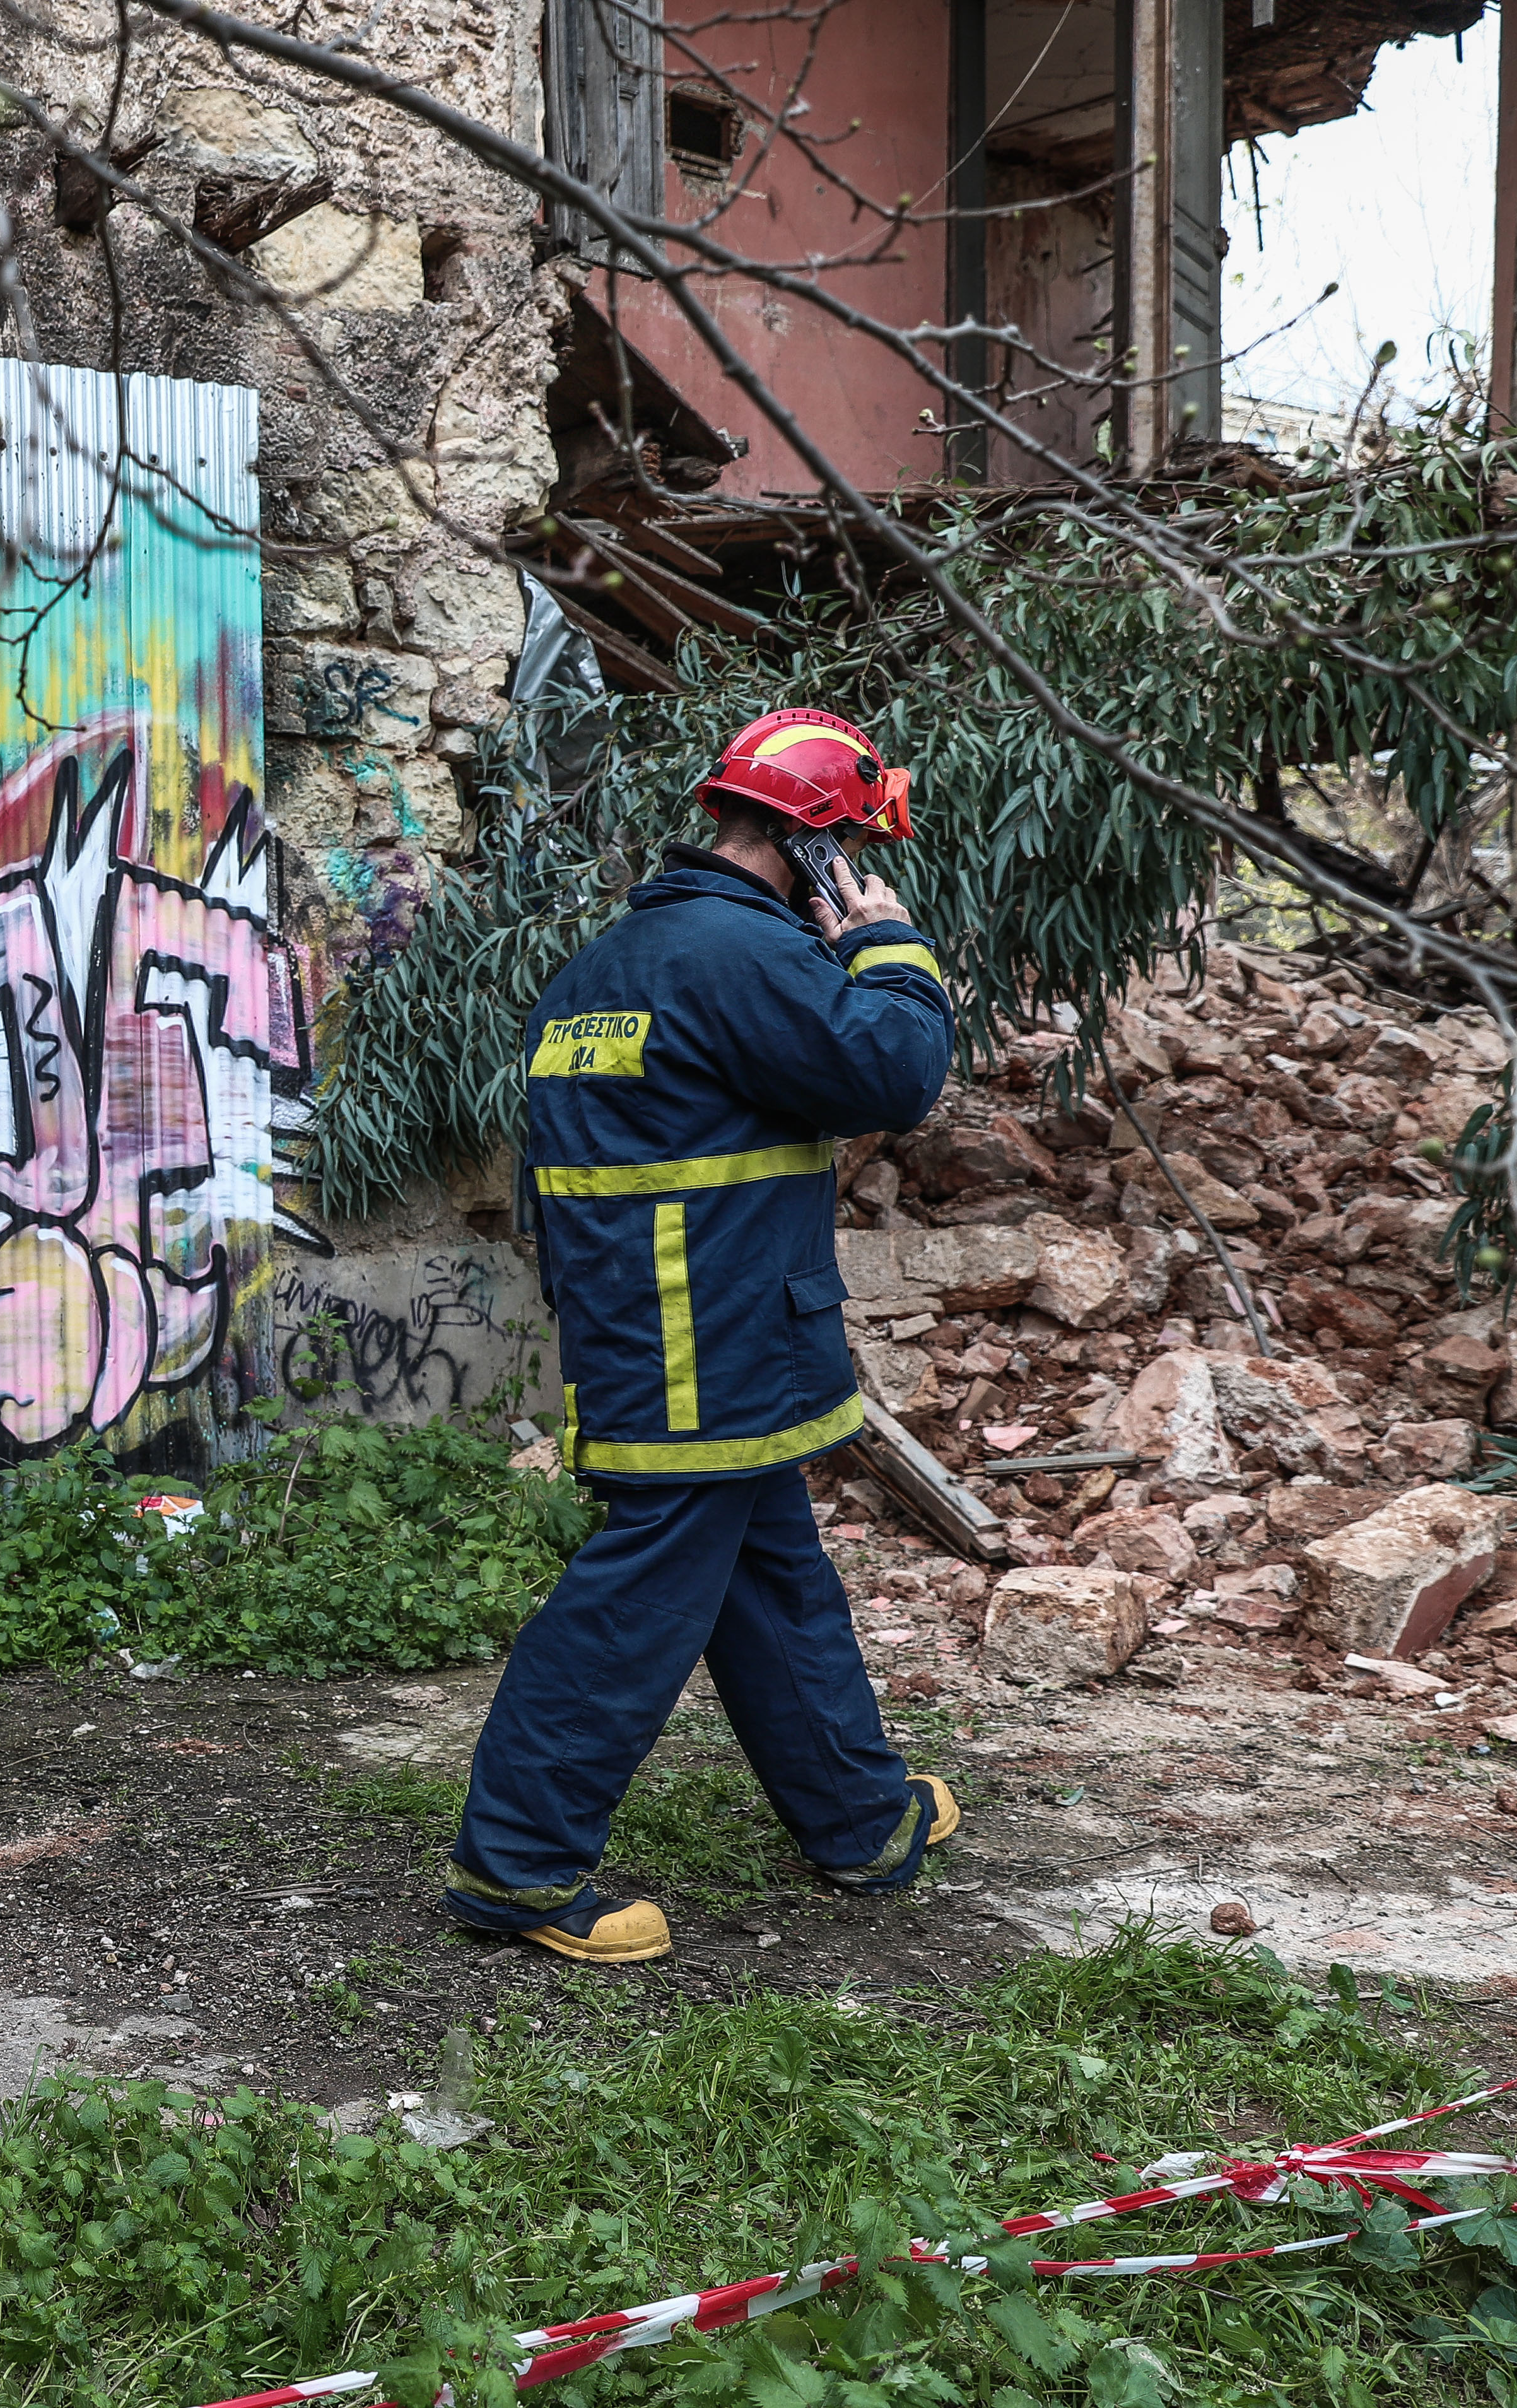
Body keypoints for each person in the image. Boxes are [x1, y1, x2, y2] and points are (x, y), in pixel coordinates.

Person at [442, 707, 961, 1965]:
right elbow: (894, 1069)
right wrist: (884, 936)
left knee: (771, 1579)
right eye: (851, 853)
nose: (852, 875)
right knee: (637, 1601)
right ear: (817, 850)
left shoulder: (614, 962)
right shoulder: (739, 957)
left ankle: (858, 1819)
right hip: (705, 1338)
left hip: (670, 1330)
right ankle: (514, 1865)